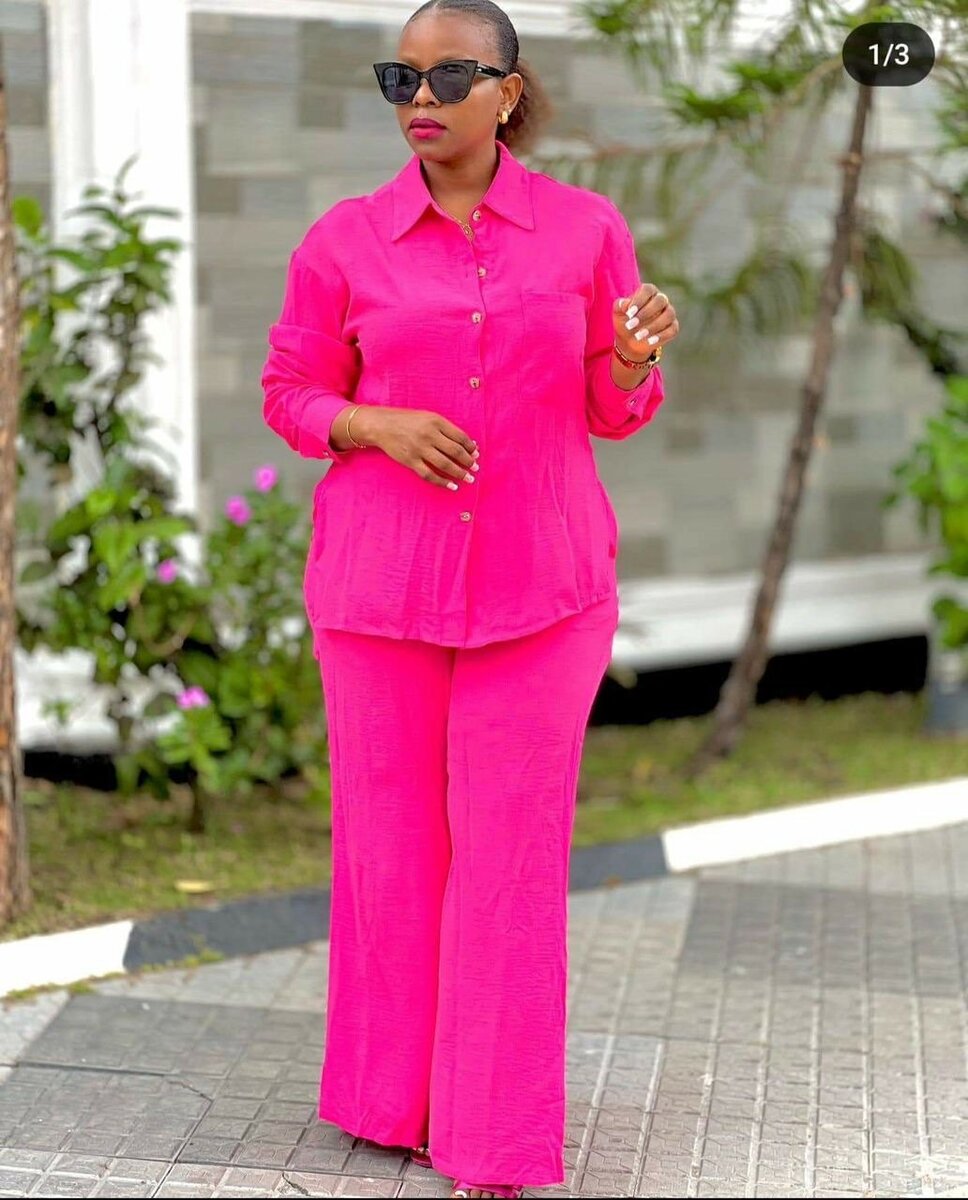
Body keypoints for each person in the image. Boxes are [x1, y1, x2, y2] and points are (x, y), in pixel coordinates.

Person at [261, 1, 680, 1195]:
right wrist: (371, 423)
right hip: (378, 592)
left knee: (508, 860)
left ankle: (492, 1138)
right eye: (401, 77)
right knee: (390, 853)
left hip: (542, 592)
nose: (421, 99)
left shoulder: (586, 230)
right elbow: (289, 390)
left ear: (508, 91)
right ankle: (384, 1100)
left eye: (451, 77)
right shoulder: (342, 241)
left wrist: (632, 356)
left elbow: (611, 408)